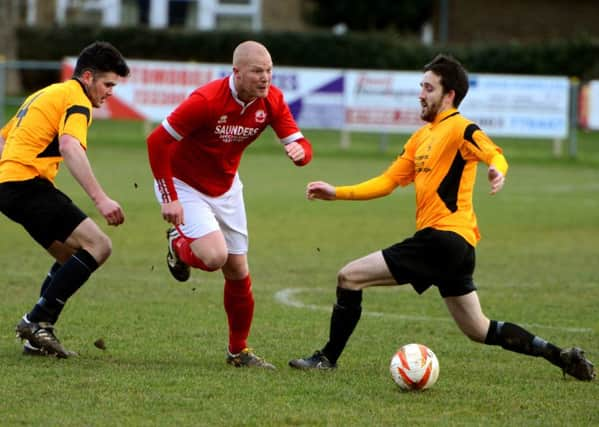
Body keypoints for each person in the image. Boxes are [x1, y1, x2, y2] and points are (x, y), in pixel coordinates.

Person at [288, 54, 595, 381]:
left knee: (348, 277)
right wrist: (337, 191)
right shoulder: (421, 137)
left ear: (449, 94)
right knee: (479, 328)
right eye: (421, 86)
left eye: (428, 87)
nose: (420, 93)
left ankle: (327, 358)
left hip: (441, 239)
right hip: (457, 248)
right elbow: (388, 181)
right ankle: (560, 356)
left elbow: (493, 152)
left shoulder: (461, 128)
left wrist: (496, 170)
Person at [146, 40, 312, 369]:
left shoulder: (272, 101)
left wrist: (300, 154)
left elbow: (302, 144)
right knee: (213, 256)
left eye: (269, 71)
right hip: (184, 185)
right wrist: (170, 197)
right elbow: (157, 141)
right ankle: (179, 246)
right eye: (257, 71)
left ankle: (239, 352)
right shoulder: (206, 100)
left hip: (226, 187)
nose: (265, 78)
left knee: (237, 270)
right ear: (236, 72)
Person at [0, 41, 130, 358]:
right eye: (108, 84)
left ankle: (36, 338)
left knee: (68, 256)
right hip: (28, 184)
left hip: (9, 188)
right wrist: (101, 199)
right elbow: (70, 146)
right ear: (88, 77)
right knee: (99, 246)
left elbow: (4, 138)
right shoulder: (76, 99)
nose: (111, 92)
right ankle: (37, 321)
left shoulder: (43, 94)